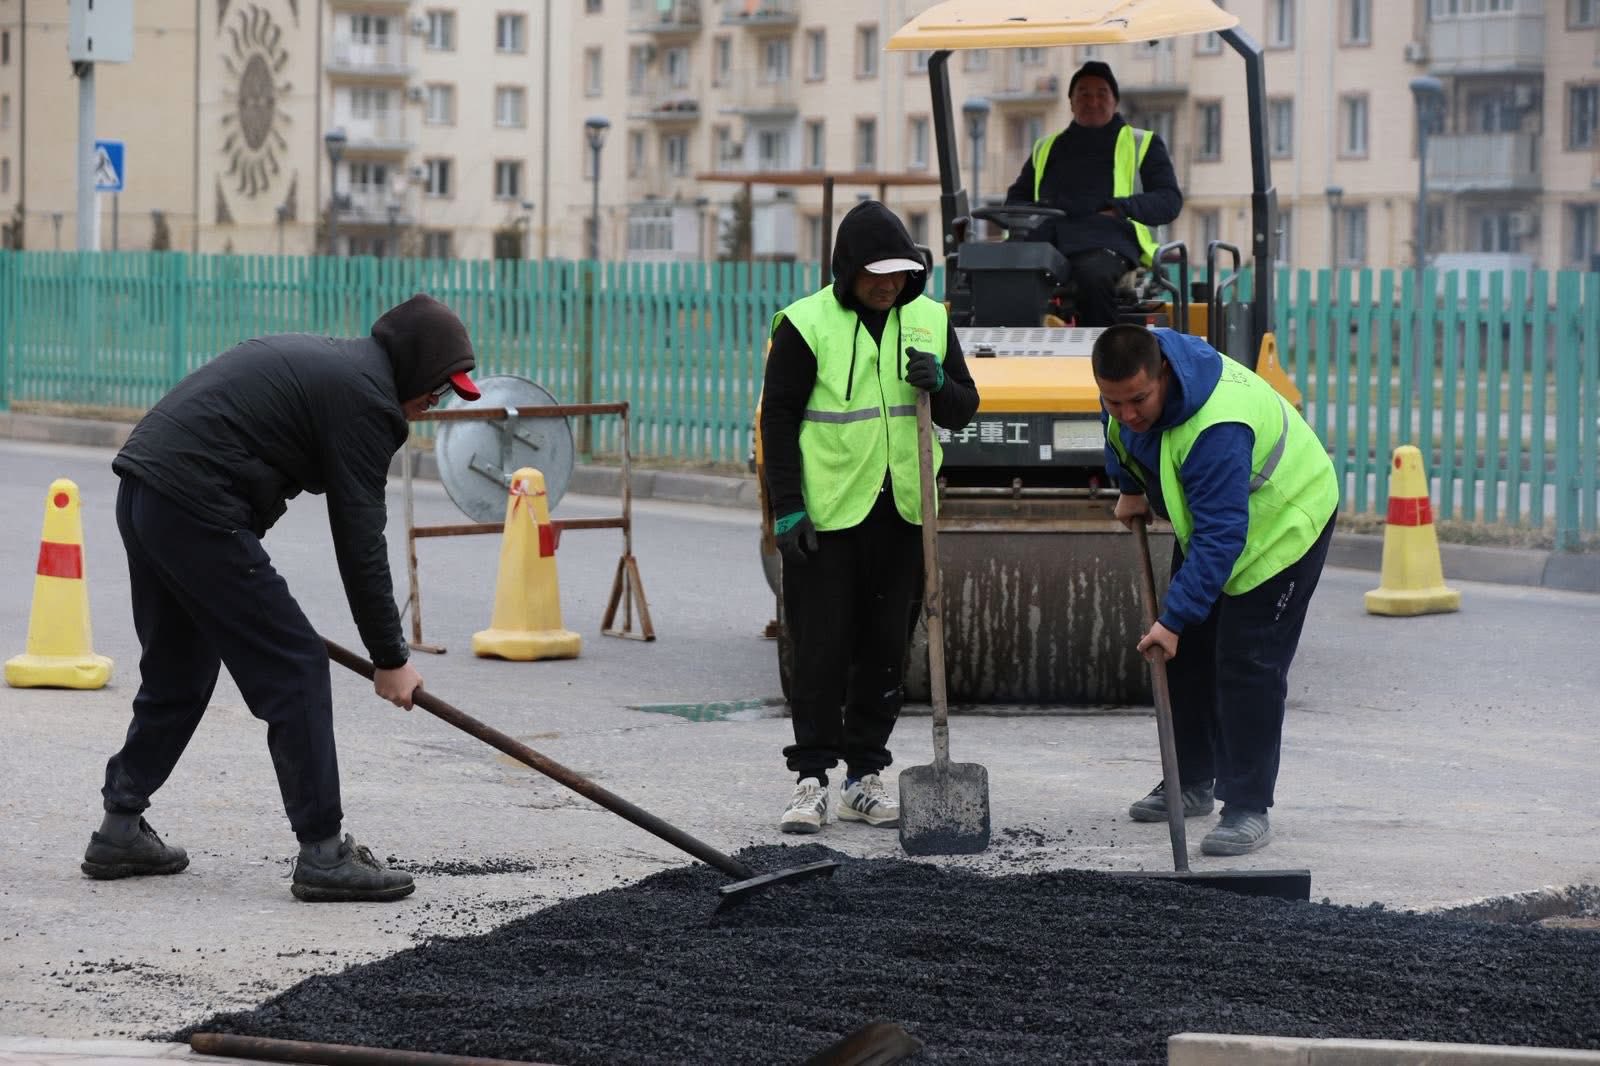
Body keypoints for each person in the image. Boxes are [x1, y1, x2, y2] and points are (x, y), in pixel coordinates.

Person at [82, 293, 482, 901]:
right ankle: (324, 853)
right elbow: (360, 540)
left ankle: (118, 829)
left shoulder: (338, 366)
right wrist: (391, 658)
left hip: (148, 493)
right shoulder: (367, 399)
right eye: (439, 388)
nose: (436, 403)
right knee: (295, 667)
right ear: (415, 367)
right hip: (193, 503)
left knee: (180, 672)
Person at [760, 200, 980, 834]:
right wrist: (787, 507)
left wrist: (939, 383)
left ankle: (864, 777)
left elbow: (963, 409)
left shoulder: (931, 321)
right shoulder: (807, 324)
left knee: (885, 649)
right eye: (875, 273)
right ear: (847, 269)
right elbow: (777, 419)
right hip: (826, 515)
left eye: (899, 273)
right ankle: (810, 780)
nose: (887, 285)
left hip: (904, 513)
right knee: (821, 647)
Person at [1092, 324, 1338, 855]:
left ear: (1162, 374)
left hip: (1282, 524)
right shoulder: (1129, 383)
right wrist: (1130, 486)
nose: (1128, 413)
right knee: (1186, 655)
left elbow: (1223, 538)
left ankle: (1248, 806)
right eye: (1114, 401)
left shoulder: (1216, 428)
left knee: (1247, 664)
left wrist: (1172, 620)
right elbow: (1121, 436)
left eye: (1138, 400)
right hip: (1216, 524)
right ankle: (1192, 781)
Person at [1004, 61, 1183, 327]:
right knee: (993, 268)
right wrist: (1029, 219)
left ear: (1115, 101)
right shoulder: (1047, 147)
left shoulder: (1142, 143)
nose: (1093, 101)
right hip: (1048, 239)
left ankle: (1101, 354)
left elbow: (1169, 200)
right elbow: (1016, 200)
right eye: (1084, 94)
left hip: (1109, 239)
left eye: (1102, 94)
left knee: (1093, 275)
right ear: (1072, 103)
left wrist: (1120, 208)